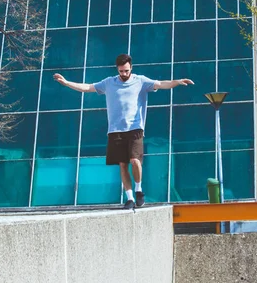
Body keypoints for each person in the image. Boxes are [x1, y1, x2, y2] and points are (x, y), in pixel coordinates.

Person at [54, 53, 194, 209]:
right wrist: (66, 83)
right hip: (115, 130)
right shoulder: (109, 83)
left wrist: (177, 82)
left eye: (126, 71)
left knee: (135, 161)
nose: (124, 74)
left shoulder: (141, 81)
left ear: (131, 68)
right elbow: (88, 87)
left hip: (135, 128)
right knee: (122, 164)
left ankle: (139, 190)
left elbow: (161, 84)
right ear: (117, 69)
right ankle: (129, 198)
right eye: (121, 71)